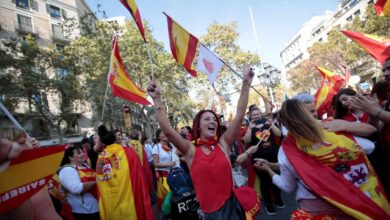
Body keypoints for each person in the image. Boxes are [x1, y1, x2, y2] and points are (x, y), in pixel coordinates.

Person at [147, 65, 259, 219]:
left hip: (233, 210)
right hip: (208, 215)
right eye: (207, 119)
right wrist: (156, 98)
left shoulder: (223, 145)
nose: (212, 122)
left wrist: (246, 84)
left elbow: (239, 115)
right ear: (198, 127)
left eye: (214, 119)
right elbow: (167, 131)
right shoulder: (190, 151)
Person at [254, 99, 390, 219]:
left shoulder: (286, 150)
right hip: (357, 202)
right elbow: (369, 146)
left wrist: (268, 170)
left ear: (283, 123)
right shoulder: (335, 129)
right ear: (306, 113)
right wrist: (345, 126)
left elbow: (287, 186)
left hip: (318, 210)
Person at [0, 126, 60, 220]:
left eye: (28, 140)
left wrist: (37, 154)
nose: (30, 143)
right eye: (22, 142)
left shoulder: (34, 173)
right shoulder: (9, 187)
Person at [95, 124, 153, 220]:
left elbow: (101, 180)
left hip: (110, 202)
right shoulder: (129, 153)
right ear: (114, 139)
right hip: (129, 198)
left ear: (103, 143)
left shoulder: (100, 158)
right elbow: (139, 177)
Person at [242, 105, 283, 215]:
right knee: (265, 182)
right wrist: (250, 129)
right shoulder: (250, 127)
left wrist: (271, 125)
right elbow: (246, 140)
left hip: (274, 157)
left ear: (261, 114)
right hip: (259, 158)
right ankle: (268, 204)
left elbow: (279, 134)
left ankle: (277, 199)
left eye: (258, 114)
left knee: (276, 178)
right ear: (250, 116)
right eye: (254, 115)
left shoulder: (267, 124)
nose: (256, 116)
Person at [58, 145, 99, 220]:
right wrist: (97, 181)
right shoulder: (67, 169)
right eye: (78, 153)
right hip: (81, 212)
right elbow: (76, 189)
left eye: (83, 152)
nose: (83, 154)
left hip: (95, 208)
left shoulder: (86, 166)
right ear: (70, 157)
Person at [152, 128, 179, 210]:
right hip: (163, 178)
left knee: (174, 197)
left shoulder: (171, 146)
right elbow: (155, 164)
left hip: (173, 175)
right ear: (158, 136)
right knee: (167, 198)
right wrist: (169, 164)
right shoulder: (156, 147)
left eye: (165, 133)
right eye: (162, 133)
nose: (164, 135)